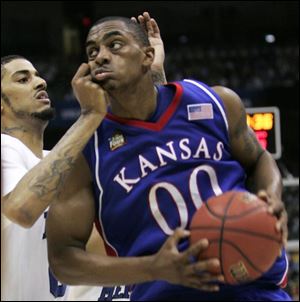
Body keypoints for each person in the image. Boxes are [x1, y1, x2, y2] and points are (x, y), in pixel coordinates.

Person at [41, 15, 292, 301]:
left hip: (253, 287)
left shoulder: (215, 102)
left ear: (148, 55)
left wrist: (271, 197)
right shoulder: (85, 151)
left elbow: (259, 159)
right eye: (92, 51)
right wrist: (152, 268)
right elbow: (63, 261)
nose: (101, 57)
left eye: (115, 44)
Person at [1, 13, 164, 301]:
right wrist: (90, 116)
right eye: (23, 79)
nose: (40, 82)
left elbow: (101, 243)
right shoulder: (5, 149)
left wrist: (148, 78)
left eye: (38, 76)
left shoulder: (60, 164)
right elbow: (21, 209)